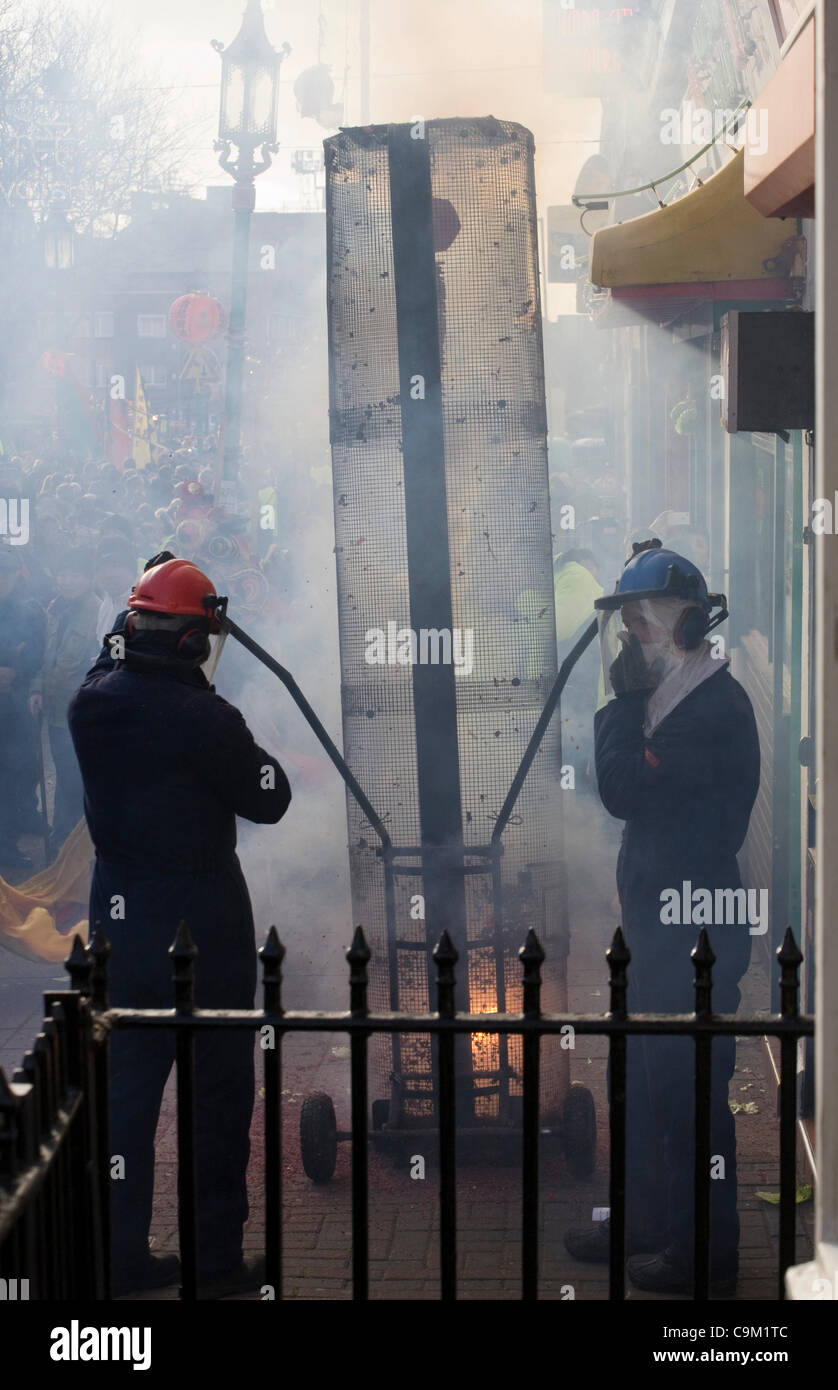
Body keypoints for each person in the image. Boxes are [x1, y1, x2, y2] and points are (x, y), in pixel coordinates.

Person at [68, 556, 292, 1298]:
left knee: (127, 1098)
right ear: (195, 645)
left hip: (120, 924)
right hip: (204, 930)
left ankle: (120, 1254)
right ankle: (214, 1265)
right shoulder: (204, 717)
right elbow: (271, 799)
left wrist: (147, 601)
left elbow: (115, 651)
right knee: (218, 1098)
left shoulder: (91, 702)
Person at [564, 540, 760, 1294]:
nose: (628, 640)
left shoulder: (709, 711)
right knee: (646, 1079)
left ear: (678, 627)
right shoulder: (679, 697)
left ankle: (702, 1251)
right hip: (661, 923)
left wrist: (617, 704)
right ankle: (648, 1221)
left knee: (688, 1090)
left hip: (695, 927)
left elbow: (619, 788)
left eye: (638, 627)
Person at [30, 547, 100, 859]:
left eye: (76, 575)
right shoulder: (55, 610)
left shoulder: (97, 612)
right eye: (64, 574)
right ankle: (62, 843)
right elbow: (46, 657)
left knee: (76, 781)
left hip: (81, 712)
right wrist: (37, 689)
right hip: (56, 712)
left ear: (87, 578)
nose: (68, 580)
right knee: (62, 775)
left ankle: (73, 848)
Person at [0, 545, 46, 873]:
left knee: (20, 772)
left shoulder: (29, 610)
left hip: (15, 707)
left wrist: (16, 670)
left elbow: (38, 653)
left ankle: (8, 842)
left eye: (7, 571)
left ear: (17, 573)